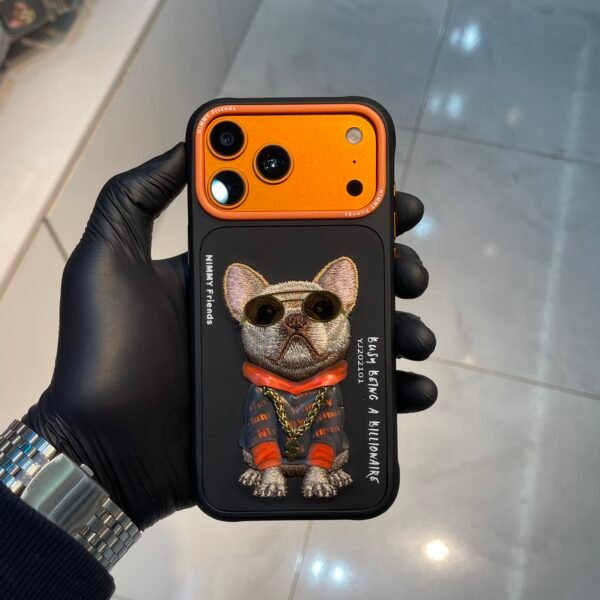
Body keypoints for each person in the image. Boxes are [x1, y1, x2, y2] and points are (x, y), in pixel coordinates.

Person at [0, 144, 437, 600]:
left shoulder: (328, 388)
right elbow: (258, 428)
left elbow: (329, 429)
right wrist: (88, 449)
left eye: (320, 308)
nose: (294, 323)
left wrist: (84, 455)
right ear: (237, 307)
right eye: (267, 313)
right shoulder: (258, 388)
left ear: (346, 299)